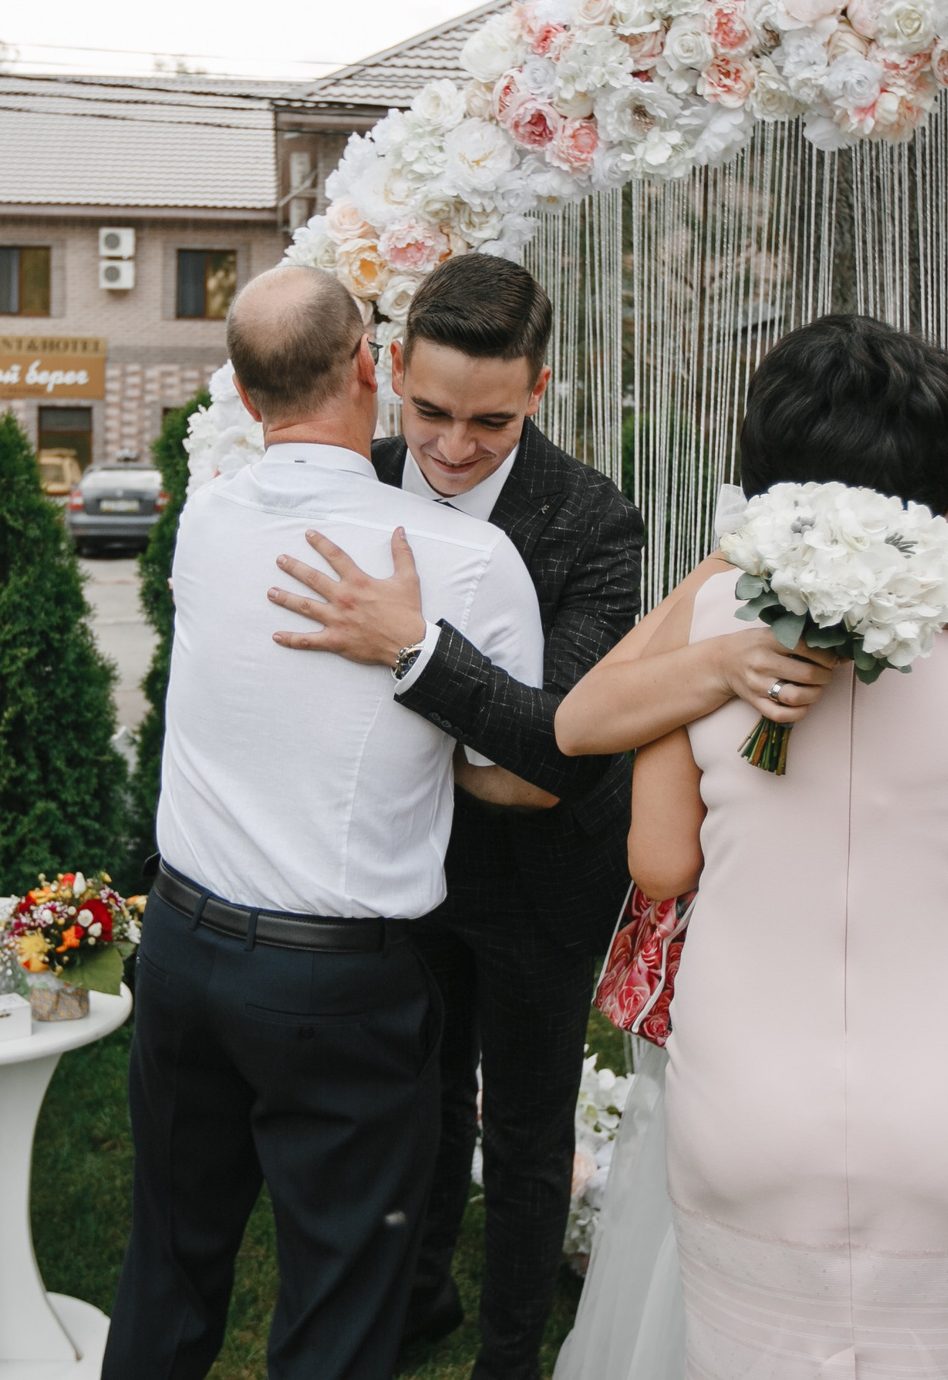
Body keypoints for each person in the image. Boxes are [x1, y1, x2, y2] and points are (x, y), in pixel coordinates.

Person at [551, 318, 948, 1380]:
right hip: (943, 1093)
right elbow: (585, 714)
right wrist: (727, 660)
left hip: (785, 1086)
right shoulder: (754, 585)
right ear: (939, 430)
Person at [105, 265, 546, 1380]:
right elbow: (523, 779)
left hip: (182, 950)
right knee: (340, 1307)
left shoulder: (205, 516)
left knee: (166, 1270)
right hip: (339, 987)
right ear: (368, 365)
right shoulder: (467, 559)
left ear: (247, 394)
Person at [263, 253, 645, 1376]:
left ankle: (509, 1355)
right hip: (399, 867)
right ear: (390, 370)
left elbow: (558, 743)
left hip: (543, 877)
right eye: (430, 411)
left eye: (490, 420)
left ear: (540, 388)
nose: (453, 446)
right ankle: (417, 1299)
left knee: (525, 1127)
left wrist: (411, 654)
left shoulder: (595, 521)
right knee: (414, 1104)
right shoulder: (356, 480)